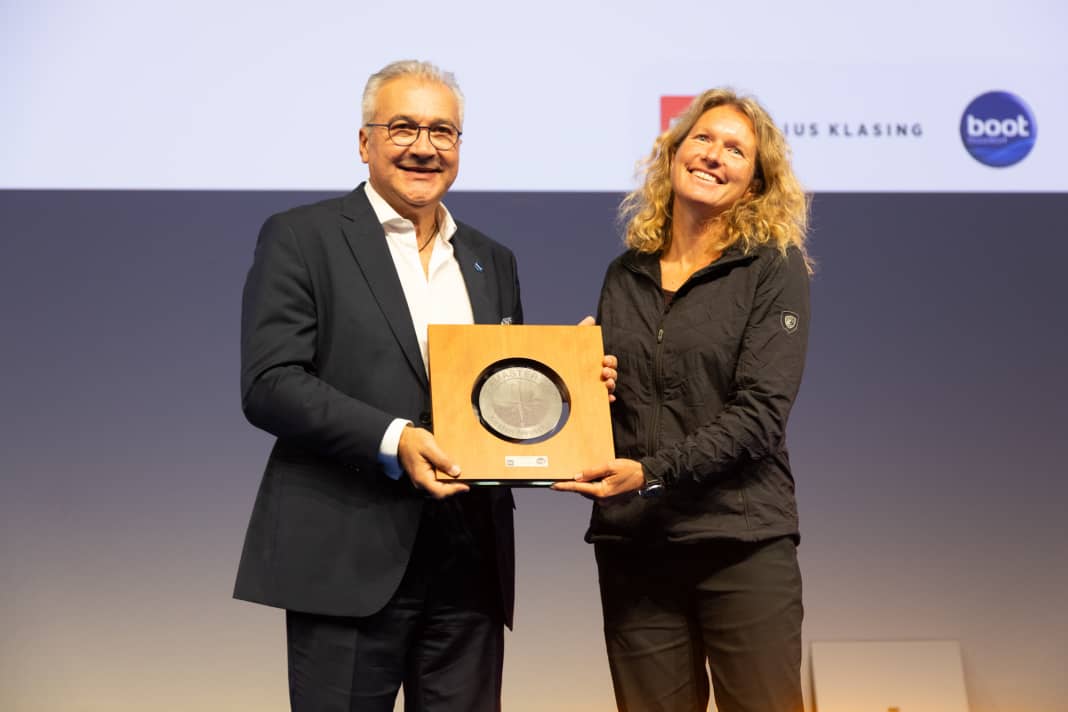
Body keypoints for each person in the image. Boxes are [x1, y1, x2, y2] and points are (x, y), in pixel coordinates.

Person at [233, 59, 564, 712]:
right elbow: (269, 382)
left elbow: (499, 395)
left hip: (470, 558)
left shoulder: (491, 259)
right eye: (403, 127)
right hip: (347, 552)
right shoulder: (303, 237)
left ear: (460, 147)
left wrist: (565, 391)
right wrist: (396, 439)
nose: (423, 146)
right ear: (365, 142)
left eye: (442, 131)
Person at [554, 88, 812, 712]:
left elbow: (759, 414)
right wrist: (583, 385)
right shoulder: (626, 272)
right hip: (637, 548)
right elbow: (629, 407)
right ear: (672, 153)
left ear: (754, 183)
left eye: (735, 150)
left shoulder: (773, 268)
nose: (714, 155)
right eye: (703, 138)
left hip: (740, 542)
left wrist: (651, 472)